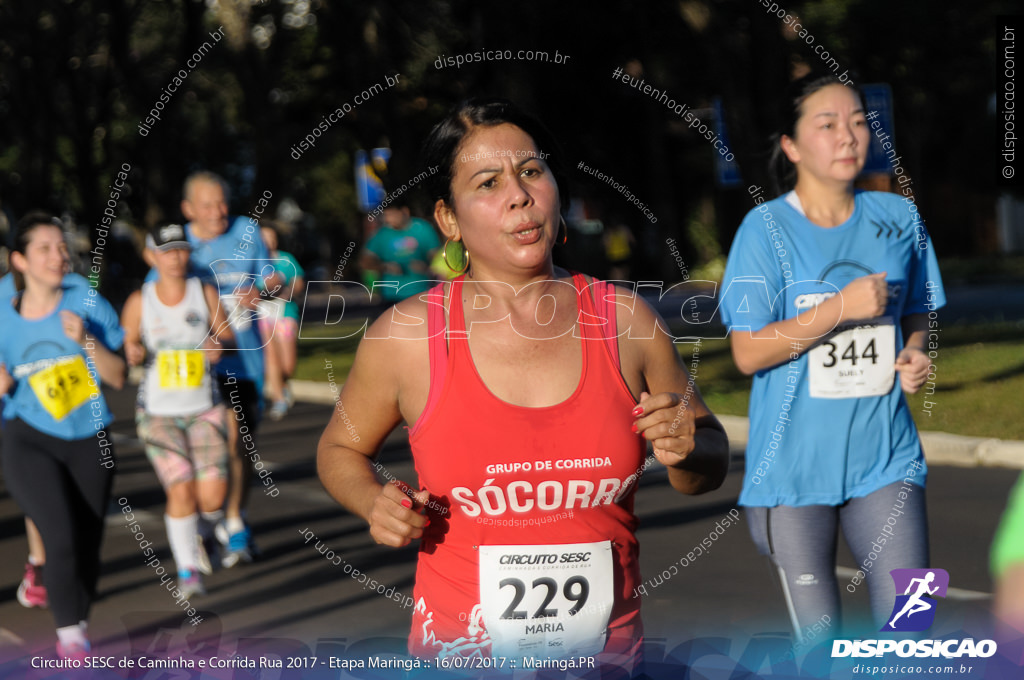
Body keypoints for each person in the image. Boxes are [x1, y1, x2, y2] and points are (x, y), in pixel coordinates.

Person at [317, 99, 729, 672]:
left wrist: (686, 449)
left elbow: (705, 458)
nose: (519, 194)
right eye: (488, 182)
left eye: (531, 172)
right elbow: (340, 449)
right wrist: (372, 502)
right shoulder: (408, 337)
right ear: (449, 220)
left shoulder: (625, 321)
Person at [719, 73, 945, 641]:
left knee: (914, 631)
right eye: (827, 125)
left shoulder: (898, 217)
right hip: (790, 478)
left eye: (858, 122)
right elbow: (747, 353)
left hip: (887, 459)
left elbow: (918, 309)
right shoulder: (762, 229)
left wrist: (916, 352)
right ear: (791, 147)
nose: (848, 136)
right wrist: (840, 308)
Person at [0, 211, 125, 658]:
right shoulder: (0, 308)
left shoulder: (87, 301)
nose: (59, 256)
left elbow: (118, 377)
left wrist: (87, 342)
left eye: (61, 247)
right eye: (45, 249)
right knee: (59, 535)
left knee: (87, 542)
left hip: (89, 434)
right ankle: (71, 638)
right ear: (20, 260)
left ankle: (78, 622)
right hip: (27, 437)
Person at [121, 223, 233, 598]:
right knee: (181, 487)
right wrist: (133, 350)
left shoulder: (203, 292)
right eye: (166, 252)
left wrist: (218, 345)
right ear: (151, 256)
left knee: (213, 498)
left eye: (182, 250)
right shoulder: (142, 299)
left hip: (204, 407)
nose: (175, 258)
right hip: (157, 412)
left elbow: (227, 337)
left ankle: (204, 533)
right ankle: (187, 571)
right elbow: (129, 342)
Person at [175, 172, 275, 566]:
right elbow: (155, 294)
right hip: (197, 367)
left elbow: (272, 277)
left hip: (247, 359)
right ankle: (207, 521)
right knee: (209, 446)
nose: (219, 212)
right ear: (188, 210)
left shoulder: (247, 230)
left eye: (222, 202)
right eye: (208, 205)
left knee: (241, 445)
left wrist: (263, 290)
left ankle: (233, 518)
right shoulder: (177, 244)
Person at [257, 223, 304, 420]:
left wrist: (289, 292)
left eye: (272, 237)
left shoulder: (285, 259)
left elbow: (299, 281)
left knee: (288, 364)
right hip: (261, 313)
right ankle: (279, 399)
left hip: (285, 313)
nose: (269, 242)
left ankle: (283, 383)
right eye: (264, 238)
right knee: (270, 356)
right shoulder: (252, 261)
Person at [360, 198, 440, 302]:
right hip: (391, 295)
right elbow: (365, 261)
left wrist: (427, 267)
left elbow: (437, 256)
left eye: (392, 215)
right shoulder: (382, 233)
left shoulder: (423, 228)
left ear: (404, 212)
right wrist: (384, 267)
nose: (388, 220)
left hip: (421, 292)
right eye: (386, 216)